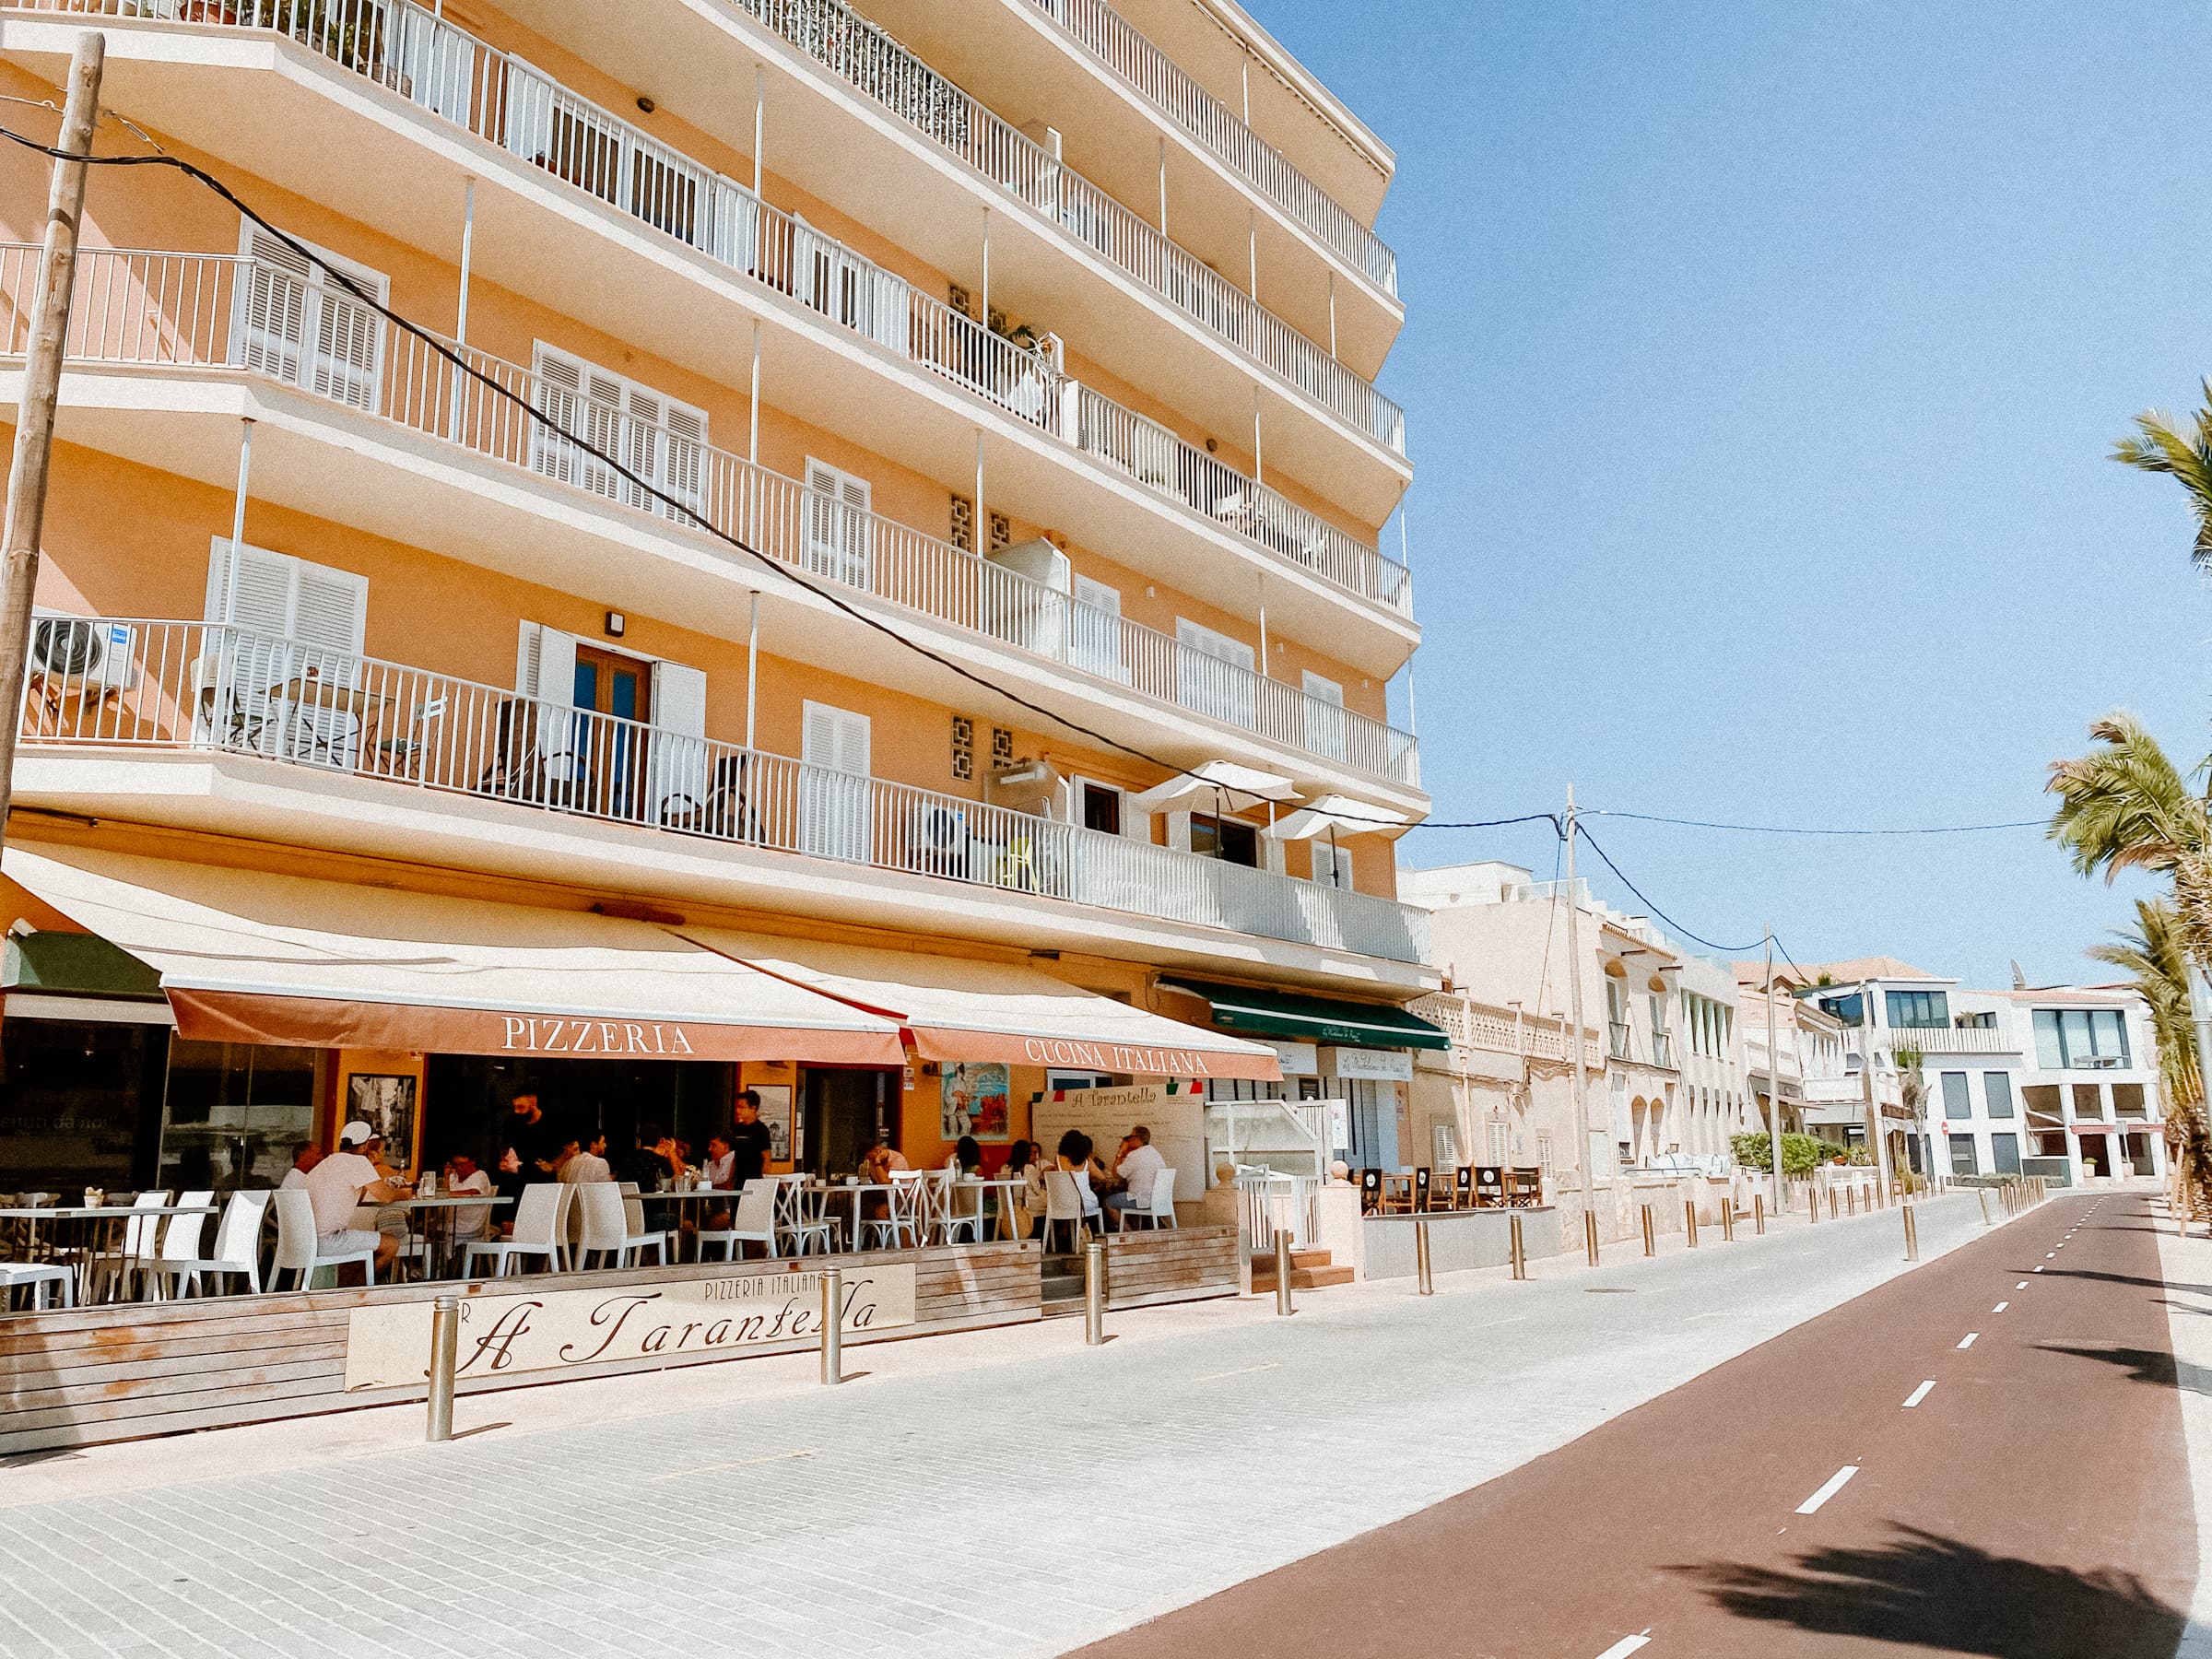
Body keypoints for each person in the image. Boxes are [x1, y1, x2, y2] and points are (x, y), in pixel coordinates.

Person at [305, 1122, 408, 1278]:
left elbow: (357, 1198)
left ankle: (355, 1289)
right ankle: (361, 1292)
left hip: (307, 1239)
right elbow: (386, 1196)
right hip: (327, 1240)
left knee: (365, 1244)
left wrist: (369, 1171)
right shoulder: (358, 1162)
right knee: (391, 1244)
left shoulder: (329, 1161)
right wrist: (406, 1194)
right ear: (366, 1144)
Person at [1103, 1125, 1167, 1230]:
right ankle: (1134, 1230)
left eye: (1130, 1137)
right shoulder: (1155, 1153)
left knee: (1108, 1202)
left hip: (1142, 1199)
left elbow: (1116, 1174)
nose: (1129, 1140)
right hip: (1158, 1199)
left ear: (1136, 1138)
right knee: (1124, 1195)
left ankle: (1130, 1233)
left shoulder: (1135, 1155)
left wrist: (1120, 1152)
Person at [1055, 1129, 1102, 1235]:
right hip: (1084, 1203)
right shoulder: (1086, 1161)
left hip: (1062, 1203)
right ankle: (1081, 1232)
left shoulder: (1058, 1159)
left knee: (1072, 1202)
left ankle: (1067, 1232)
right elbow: (1102, 1177)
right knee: (1086, 1200)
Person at [442, 1152, 495, 1244]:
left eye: (462, 1164)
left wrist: (448, 1194)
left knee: (435, 1229)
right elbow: (444, 1194)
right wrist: (446, 1177)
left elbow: (474, 1192)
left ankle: (443, 1258)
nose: (459, 1168)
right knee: (426, 1227)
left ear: (473, 1162)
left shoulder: (480, 1175)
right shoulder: (454, 1177)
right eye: (455, 1165)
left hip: (471, 1225)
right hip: (450, 1222)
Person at [509, 1091, 562, 1177]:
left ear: (533, 1102)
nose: (516, 1111)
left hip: (545, 1180)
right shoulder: (514, 1124)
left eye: (521, 1107)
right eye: (515, 1107)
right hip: (520, 1178)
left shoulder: (552, 1122)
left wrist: (552, 1165)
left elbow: (570, 1147)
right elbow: (508, 1150)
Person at [727, 1091, 774, 1189]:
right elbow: (734, 1158)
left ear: (753, 1108)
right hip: (739, 1180)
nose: (738, 1110)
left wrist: (764, 1183)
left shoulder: (761, 1130)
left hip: (755, 1180)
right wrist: (730, 1180)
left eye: (742, 1107)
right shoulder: (737, 1129)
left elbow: (766, 1157)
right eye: (737, 1107)